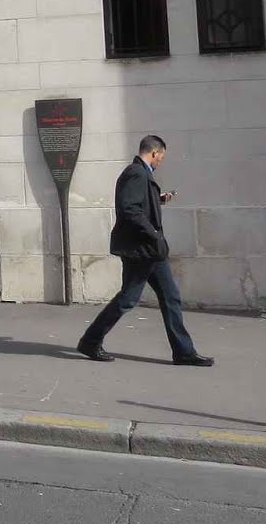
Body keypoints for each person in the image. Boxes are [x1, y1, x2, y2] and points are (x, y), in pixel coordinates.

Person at [77, 135, 214, 367]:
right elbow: (129, 209)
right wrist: (153, 233)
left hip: (150, 251)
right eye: (161, 157)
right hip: (141, 249)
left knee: (170, 296)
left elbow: (138, 204)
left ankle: (184, 351)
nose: (161, 161)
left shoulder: (140, 174)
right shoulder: (136, 173)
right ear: (154, 153)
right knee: (128, 299)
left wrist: (157, 199)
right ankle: (90, 340)